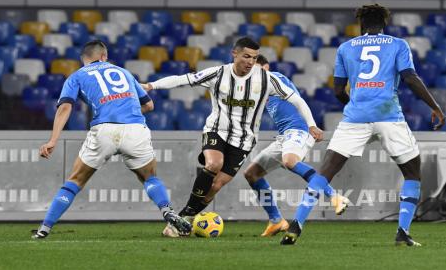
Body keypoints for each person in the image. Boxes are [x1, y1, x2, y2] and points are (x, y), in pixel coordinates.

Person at [281, 4, 445, 246]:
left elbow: (338, 90)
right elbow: (410, 77)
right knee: (412, 173)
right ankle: (403, 233)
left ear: (361, 24)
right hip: (389, 116)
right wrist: (435, 106)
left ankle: (296, 225)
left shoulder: (346, 48)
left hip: (355, 118)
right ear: (384, 23)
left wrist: (354, 105)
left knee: (326, 171)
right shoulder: (398, 44)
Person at [143, 37, 323, 237]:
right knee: (213, 164)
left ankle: (184, 218)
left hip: (243, 141)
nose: (250, 62)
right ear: (234, 54)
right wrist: (151, 86)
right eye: (246, 56)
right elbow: (183, 79)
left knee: (216, 185)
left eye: (254, 58)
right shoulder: (218, 73)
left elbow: (296, 99)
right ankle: (182, 221)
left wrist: (312, 125)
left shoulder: (266, 79)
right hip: (217, 131)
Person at [32, 40, 192, 239]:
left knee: (75, 180)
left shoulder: (77, 76)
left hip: (104, 130)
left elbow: (65, 107)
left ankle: (44, 229)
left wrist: (52, 140)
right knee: (149, 177)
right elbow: (149, 105)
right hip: (135, 129)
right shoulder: (124, 72)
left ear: (84, 59)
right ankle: (166, 210)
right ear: (104, 56)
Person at [243, 55, 349, 237]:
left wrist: (311, 125)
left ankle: (335, 196)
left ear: (266, 67)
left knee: (290, 160)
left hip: (299, 130)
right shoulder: (257, 90)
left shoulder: (275, 78)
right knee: (251, 174)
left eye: (256, 68)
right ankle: (276, 220)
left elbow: (299, 101)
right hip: (284, 136)